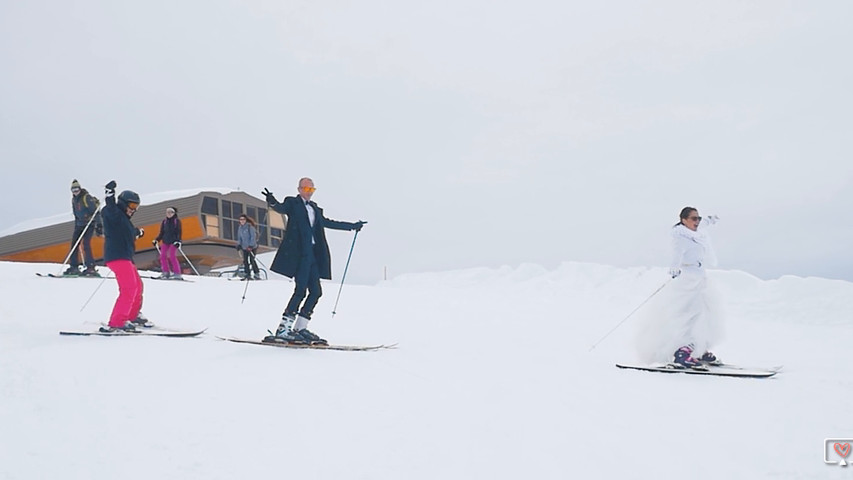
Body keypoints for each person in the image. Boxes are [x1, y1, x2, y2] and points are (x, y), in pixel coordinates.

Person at [261, 177, 366, 344]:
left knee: (316, 291)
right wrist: (272, 201)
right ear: (299, 189)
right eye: (307, 189)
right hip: (300, 254)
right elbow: (280, 208)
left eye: (312, 190)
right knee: (301, 290)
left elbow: (327, 223)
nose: (309, 193)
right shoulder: (292, 203)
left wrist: (352, 226)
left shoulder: (315, 208)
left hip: (313, 255)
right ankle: (283, 329)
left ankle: (300, 327)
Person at [635, 206, 725, 367]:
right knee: (690, 315)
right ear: (683, 220)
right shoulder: (681, 237)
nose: (697, 221)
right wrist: (674, 268)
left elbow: (703, 224)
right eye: (693, 218)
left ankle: (699, 349)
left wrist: (710, 220)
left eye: (698, 218)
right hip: (688, 280)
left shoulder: (696, 233)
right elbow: (677, 255)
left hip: (701, 278)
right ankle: (682, 352)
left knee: (705, 314)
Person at [99, 180, 149, 332]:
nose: (134, 210)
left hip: (125, 257)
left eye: (136, 207)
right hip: (117, 256)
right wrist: (109, 193)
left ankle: (132, 315)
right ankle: (117, 321)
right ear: (123, 203)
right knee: (129, 288)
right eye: (132, 206)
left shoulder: (124, 221)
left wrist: (138, 233)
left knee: (138, 286)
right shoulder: (114, 214)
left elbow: (129, 231)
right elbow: (110, 208)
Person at [65, 179, 102, 276]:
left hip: (89, 224)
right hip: (79, 225)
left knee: (86, 244)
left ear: (80, 189)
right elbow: (76, 214)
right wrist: (76, 225)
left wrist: (99, 225)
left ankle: (90, 267)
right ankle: (74, 266)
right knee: (74, 245)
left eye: (77, 189)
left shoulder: (86, 197)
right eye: (73, 190)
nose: (75, 191)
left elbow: (95, 212)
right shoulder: (74, 200)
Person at [153, 206, 183, 280]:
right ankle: (165, 272)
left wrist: (178, 241)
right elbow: (162, 232)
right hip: (166, 241)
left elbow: (179, 232)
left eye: (171, 212)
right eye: (167, 212)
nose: (169, 214)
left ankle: (177, 273)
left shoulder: (176, 221)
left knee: (172, 256)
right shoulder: (164, 222)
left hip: (174, 241)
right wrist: (157, 240)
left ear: (174, 213)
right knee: (162, 256)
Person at [236, 214, 260, 280]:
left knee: (252, 260)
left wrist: (251, 245)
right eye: (241, 220)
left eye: (243, 219)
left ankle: (256, 273)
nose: (242, 221)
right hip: (244, 247)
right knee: (245, 261)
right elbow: (239, 237)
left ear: (246, 220)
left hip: (252, 247)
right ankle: (247, 274)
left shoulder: (250, 227)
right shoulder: (240, 228)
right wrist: (239, 244)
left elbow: (253, 237)